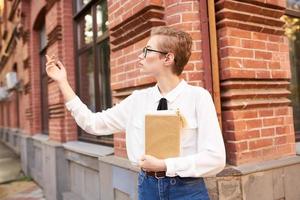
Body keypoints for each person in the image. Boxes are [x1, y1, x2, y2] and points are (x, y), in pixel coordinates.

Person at [45, 26, 226, 200]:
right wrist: (62, 82)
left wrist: (165, 165)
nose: (140, 56)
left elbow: (215, 158)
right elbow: (93, 123)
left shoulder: (198, 98)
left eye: (147, 51)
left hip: (188, 191)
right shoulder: (137, 100)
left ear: (168, 58)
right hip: (148, 189)